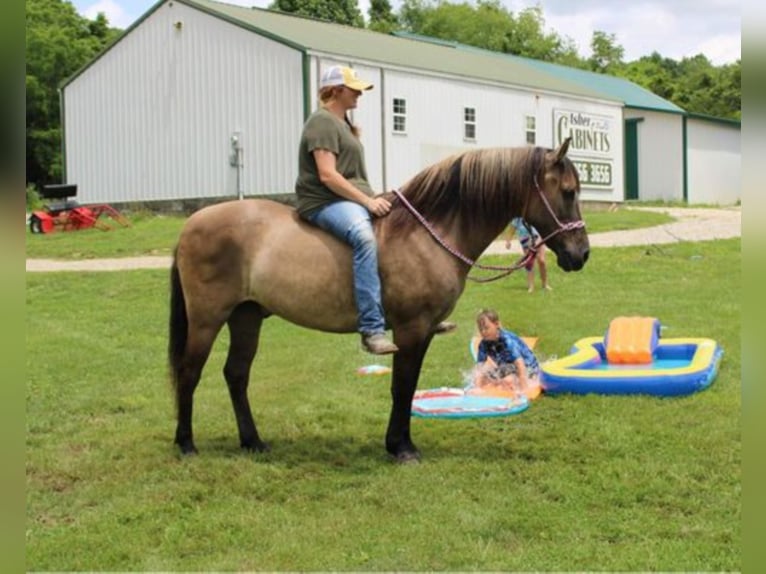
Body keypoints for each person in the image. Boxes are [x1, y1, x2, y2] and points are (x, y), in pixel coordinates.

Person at [294, 65, 398, 355]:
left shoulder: (343, 124)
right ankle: (372, 329)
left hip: (351, 199)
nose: (359, 95)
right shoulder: (322, 122)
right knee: (364, 238)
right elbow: (327, 175)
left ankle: (411, 310)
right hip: (324, 201)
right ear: (336, 90)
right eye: (354, 89)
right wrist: (367, 202)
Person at [471, 308, 541, 400]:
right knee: (481, 378)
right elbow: (479, 367)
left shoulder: (507, 341)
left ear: (497, 324)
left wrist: (524, 389)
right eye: (481, 329)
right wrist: (477, 388)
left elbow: (520, 364)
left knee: (508, 381)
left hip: (528, 368)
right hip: (508, 366)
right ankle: (502, 381)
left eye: (486, 328)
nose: (483, 332)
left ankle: (509, 381)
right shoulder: (484, 344)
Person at [506, 216, 551, 293]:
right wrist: (508, 241)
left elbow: (543, 226)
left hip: (538, 239)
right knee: (530, 264)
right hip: (526, 242)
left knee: (542, 261)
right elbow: (511, 229)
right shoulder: (517, 218)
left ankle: (545, 284)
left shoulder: (534, 213)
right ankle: (531, 286)